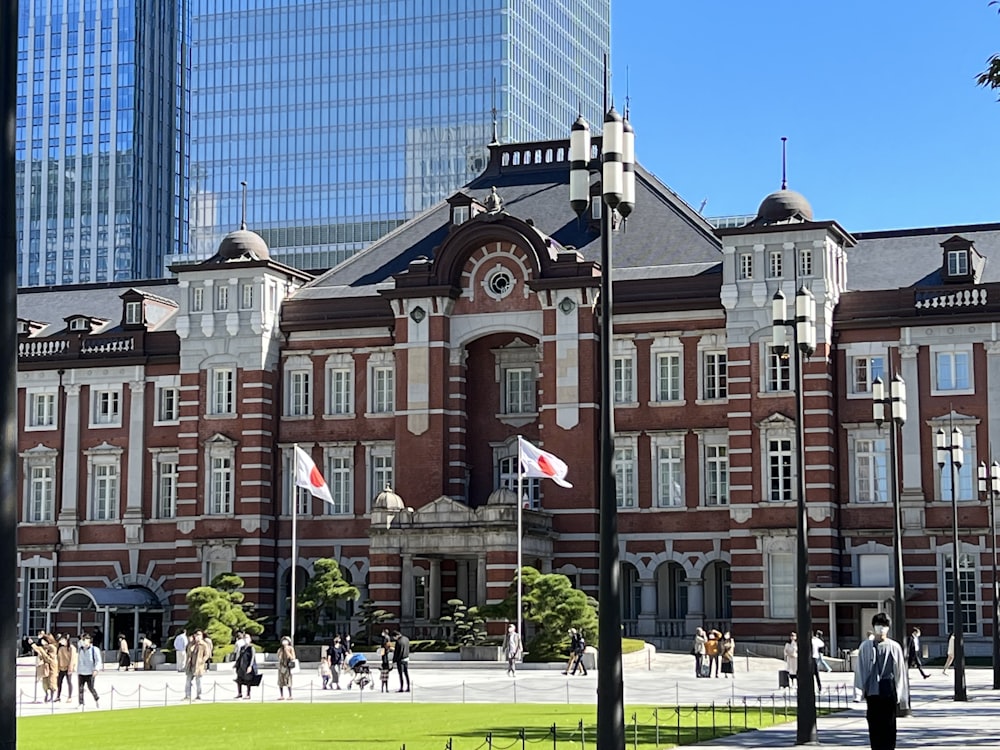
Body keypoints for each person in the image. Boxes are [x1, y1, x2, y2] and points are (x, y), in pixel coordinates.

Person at [854, 612, 908, 750]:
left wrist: (901, 696)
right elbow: (860, 669)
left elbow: (900, 672)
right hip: (872, 691)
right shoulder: (866, 646)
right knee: (874, 725)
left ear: (888, 628)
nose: (881, 628)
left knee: (889, 726)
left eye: (884, 625)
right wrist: (858, 692)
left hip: (888, 691)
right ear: (873, 627)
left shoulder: (894, 647)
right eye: (878, 625)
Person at [75, 633, 102, 708]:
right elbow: (79, 642)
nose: (84, 642)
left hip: (90, 672)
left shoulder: (94, 649)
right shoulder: (80, 648)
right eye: (83, 640)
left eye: (85, 640)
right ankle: (81, 703)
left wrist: (96, 669)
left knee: (91, 687)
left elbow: (98, 661)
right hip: (81, 671)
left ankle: (97, 699)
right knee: (80, 688)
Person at [30, 633, 58, 702]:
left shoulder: (52, 647)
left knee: (51, 682)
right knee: (45, 682)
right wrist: (32, 644)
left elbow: (49, 658)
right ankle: (46, 694)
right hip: (45, 667)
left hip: (52, 667)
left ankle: (51, 696)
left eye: (44, 640)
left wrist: (42, 651)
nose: (43, 642)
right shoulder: (44, 647)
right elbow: (38, 650)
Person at [183, 630, 210, 701]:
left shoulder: (204, 644)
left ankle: (199, 695)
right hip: (190, 665)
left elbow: (207, 654)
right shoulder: (191, 644)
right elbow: (188, 653)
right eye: (196, 635)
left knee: (199, 681)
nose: (197, 636)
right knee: (188, 681)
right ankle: (187, 695)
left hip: (199, 666)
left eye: (199, 635)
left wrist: (202, 661)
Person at [234, 633, 259, 700]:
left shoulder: (251, 648)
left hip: (247, 665)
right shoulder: (242, 647)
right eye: (245, 638)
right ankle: (239, 693)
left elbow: (252, 657)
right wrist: (236, 664)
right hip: (241, 666)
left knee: (248, 680)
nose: (246, 639)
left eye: (247, 637)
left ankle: (248, 694)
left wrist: (250, 666)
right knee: (239, 680)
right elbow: (240, 656)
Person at [56, 635, 78, 702]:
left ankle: (70, 697)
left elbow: (72, 658)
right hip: (61, 668)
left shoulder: (72, 648)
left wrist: (71, 667)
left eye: (62, 640)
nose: (61, 641)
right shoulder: (60, 648)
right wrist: (58, 667)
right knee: (59, 682)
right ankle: (58, 697)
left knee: (69, 682)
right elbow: (58, 658)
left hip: (68, 668)